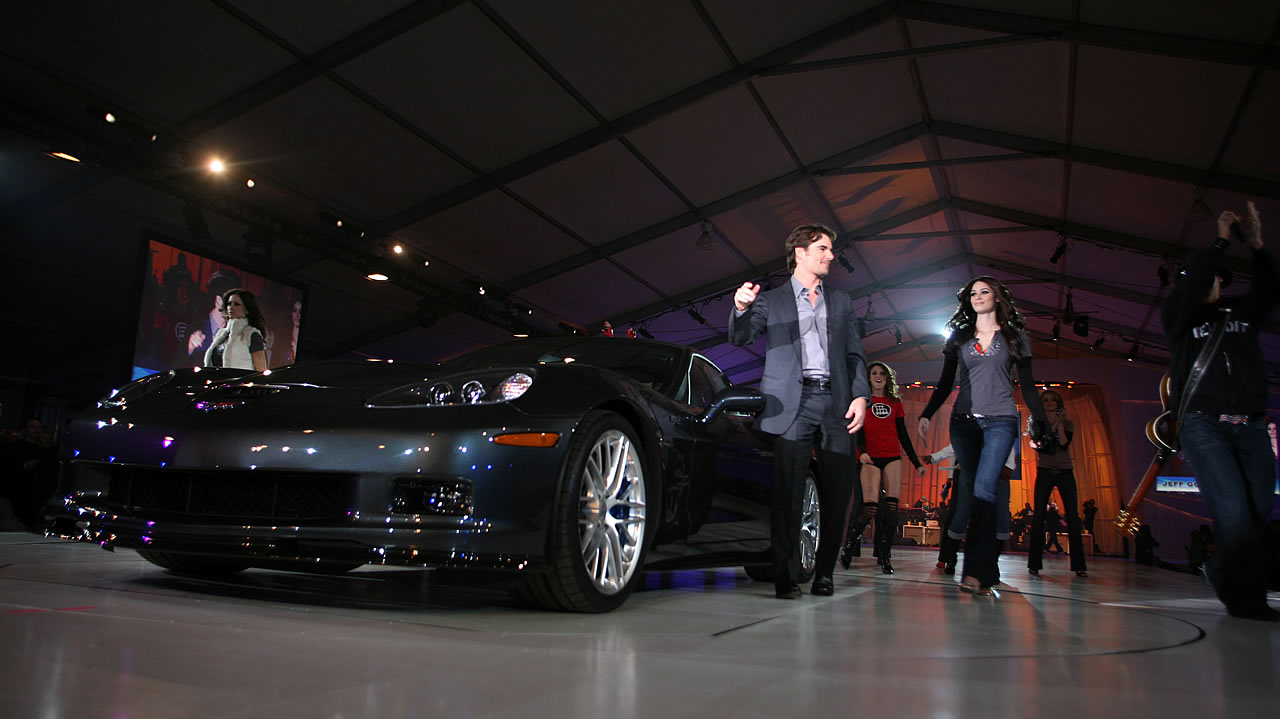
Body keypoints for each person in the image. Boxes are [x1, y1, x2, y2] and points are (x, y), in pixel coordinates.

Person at [728, 223, 869, 599]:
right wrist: (740, 308)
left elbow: (855, 354)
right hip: (791, 404)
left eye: (830, 249)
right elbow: (741, 337)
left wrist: (861, 396)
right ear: (801, 253)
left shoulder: (841, 302)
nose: (831, 255)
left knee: (837, 492)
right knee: (788, 493)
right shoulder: (770, 301)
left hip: (837, 405)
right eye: (822, 248)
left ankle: (824, 573)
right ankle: (785, 575)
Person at [1161, 200, 1279, 621]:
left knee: (1258, 506)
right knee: (1230, 508)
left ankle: (1218, 568)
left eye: (1216, 278)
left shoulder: (1239, 314)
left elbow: (1268, 289)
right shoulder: (1178, 320)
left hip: (1250, 425)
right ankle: (1246, 601)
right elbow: (1188, 289)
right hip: (1203, 424)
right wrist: (1219, 240)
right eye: (1202, 277)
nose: (1210, 283)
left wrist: (1258, 245)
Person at [917, 276, 1049, 598]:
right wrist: (926, 413)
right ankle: (984, 570)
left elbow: (1028, 385)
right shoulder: (960, 339)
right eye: (973, 293)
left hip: (1001, 421)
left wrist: (1040, 417)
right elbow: (945, 383)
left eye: (984, 291)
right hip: (963, 423)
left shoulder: (1014, 337)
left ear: (998, 297)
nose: (977, 297)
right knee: (973, 492)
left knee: (985, 489)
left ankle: (977, 572)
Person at [839, 362, 924, 574]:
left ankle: (885, 555)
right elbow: (856, 428)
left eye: (882, 374)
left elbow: (902, 433)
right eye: (874, 373)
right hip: (870, 458)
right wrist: (862, 451)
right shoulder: (862, 401)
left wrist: (916, 462)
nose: (878, 376)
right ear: (868, 378)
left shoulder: (894, 402)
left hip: (892, 456)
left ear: (887, 379)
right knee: (870, 509)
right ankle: (849, 545)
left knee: (893, 510)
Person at [924, 443, 1017, 575]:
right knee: (958, 515)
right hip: (967, 470)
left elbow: (1005, 435)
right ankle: (949, 559)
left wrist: (1009, 464)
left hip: (994, 470)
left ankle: (991, 563)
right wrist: (940, 462)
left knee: (998, 518)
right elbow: (957, 443)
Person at [1026, 390, 1088, 577]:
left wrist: (1059, 422)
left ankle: (1079, 566)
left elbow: (1062, 444)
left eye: (1053, 400)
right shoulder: (1036, 423)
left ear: (1059, 403)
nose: (1050, 402)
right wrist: (1051, 424)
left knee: (1073, 518)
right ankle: (1034, 565)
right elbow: (1043, 446)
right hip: (1044, 471)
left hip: (1065, 472)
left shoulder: (1067, 423)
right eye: (1046, 400)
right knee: (1038, 517)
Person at [204, 288, 268, 371]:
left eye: (236, 304)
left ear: (247, 310)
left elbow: (261, 370)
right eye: (229, 304)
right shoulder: (221, 334)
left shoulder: (251, 334)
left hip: (240, 383)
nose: (231, 307)